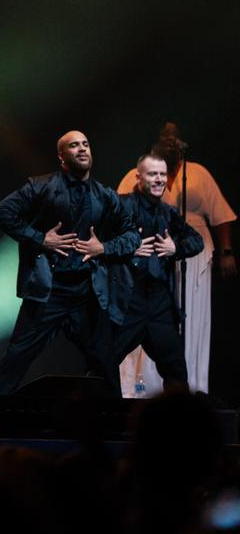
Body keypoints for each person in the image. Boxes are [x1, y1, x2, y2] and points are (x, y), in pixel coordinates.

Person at [0, 130, 139, 396]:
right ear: (62, 156)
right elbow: (2, 213)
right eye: (74, 145)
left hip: (86, 295)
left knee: (105, 362)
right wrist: (40, 239)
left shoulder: (104, 195)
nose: (82, 149)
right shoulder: (41, 186)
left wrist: (104, 247)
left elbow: (131, 235)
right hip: (48, 292)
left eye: (86, 144)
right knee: (16, 360)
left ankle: (114, 429)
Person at [117, 123, 235, 395]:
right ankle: (142, 389)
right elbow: (117, 215)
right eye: (165, 136)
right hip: (149, 256)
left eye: (176, 137)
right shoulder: (136, 177)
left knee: (190, 318)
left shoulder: (197, 173)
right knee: (147, 318)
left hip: (190, 253)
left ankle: (191, 389)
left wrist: (226, 251)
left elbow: (220, 214)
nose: (171, 141)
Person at [110, 154, 203, 390]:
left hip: (160, 304)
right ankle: (104, 420)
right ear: (138, 177)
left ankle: (175, 422)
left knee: (176, 371)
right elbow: (99, 242)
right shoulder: (121, 206)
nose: (160, 179)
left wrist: (176, 248)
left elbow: (197, 240)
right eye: (153, 174)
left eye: (162, 174)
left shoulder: (168, 213)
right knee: (103, 363)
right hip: (129, 301)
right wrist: (126, 248)